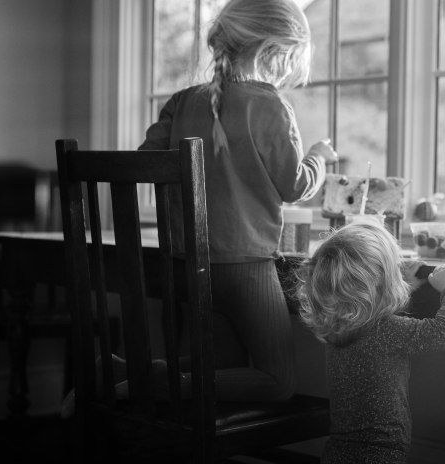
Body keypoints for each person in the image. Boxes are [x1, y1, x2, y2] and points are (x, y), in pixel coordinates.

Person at [138, 0, 337, 403]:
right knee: (278, 382)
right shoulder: (269, 104)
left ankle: (134, 374)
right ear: (273, 51)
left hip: (188, 265)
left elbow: (145, 164)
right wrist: (319, 156)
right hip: (247, 268)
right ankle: (151, 384)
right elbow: (295, 186)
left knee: (222, 369)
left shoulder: (181, 102)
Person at [296, 219, 445, 463]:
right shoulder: (387, 330)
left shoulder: (337, 325)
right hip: (381, 450)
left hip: (338, 449)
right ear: (383, 280)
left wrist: (406, 285)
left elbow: (373, 312)